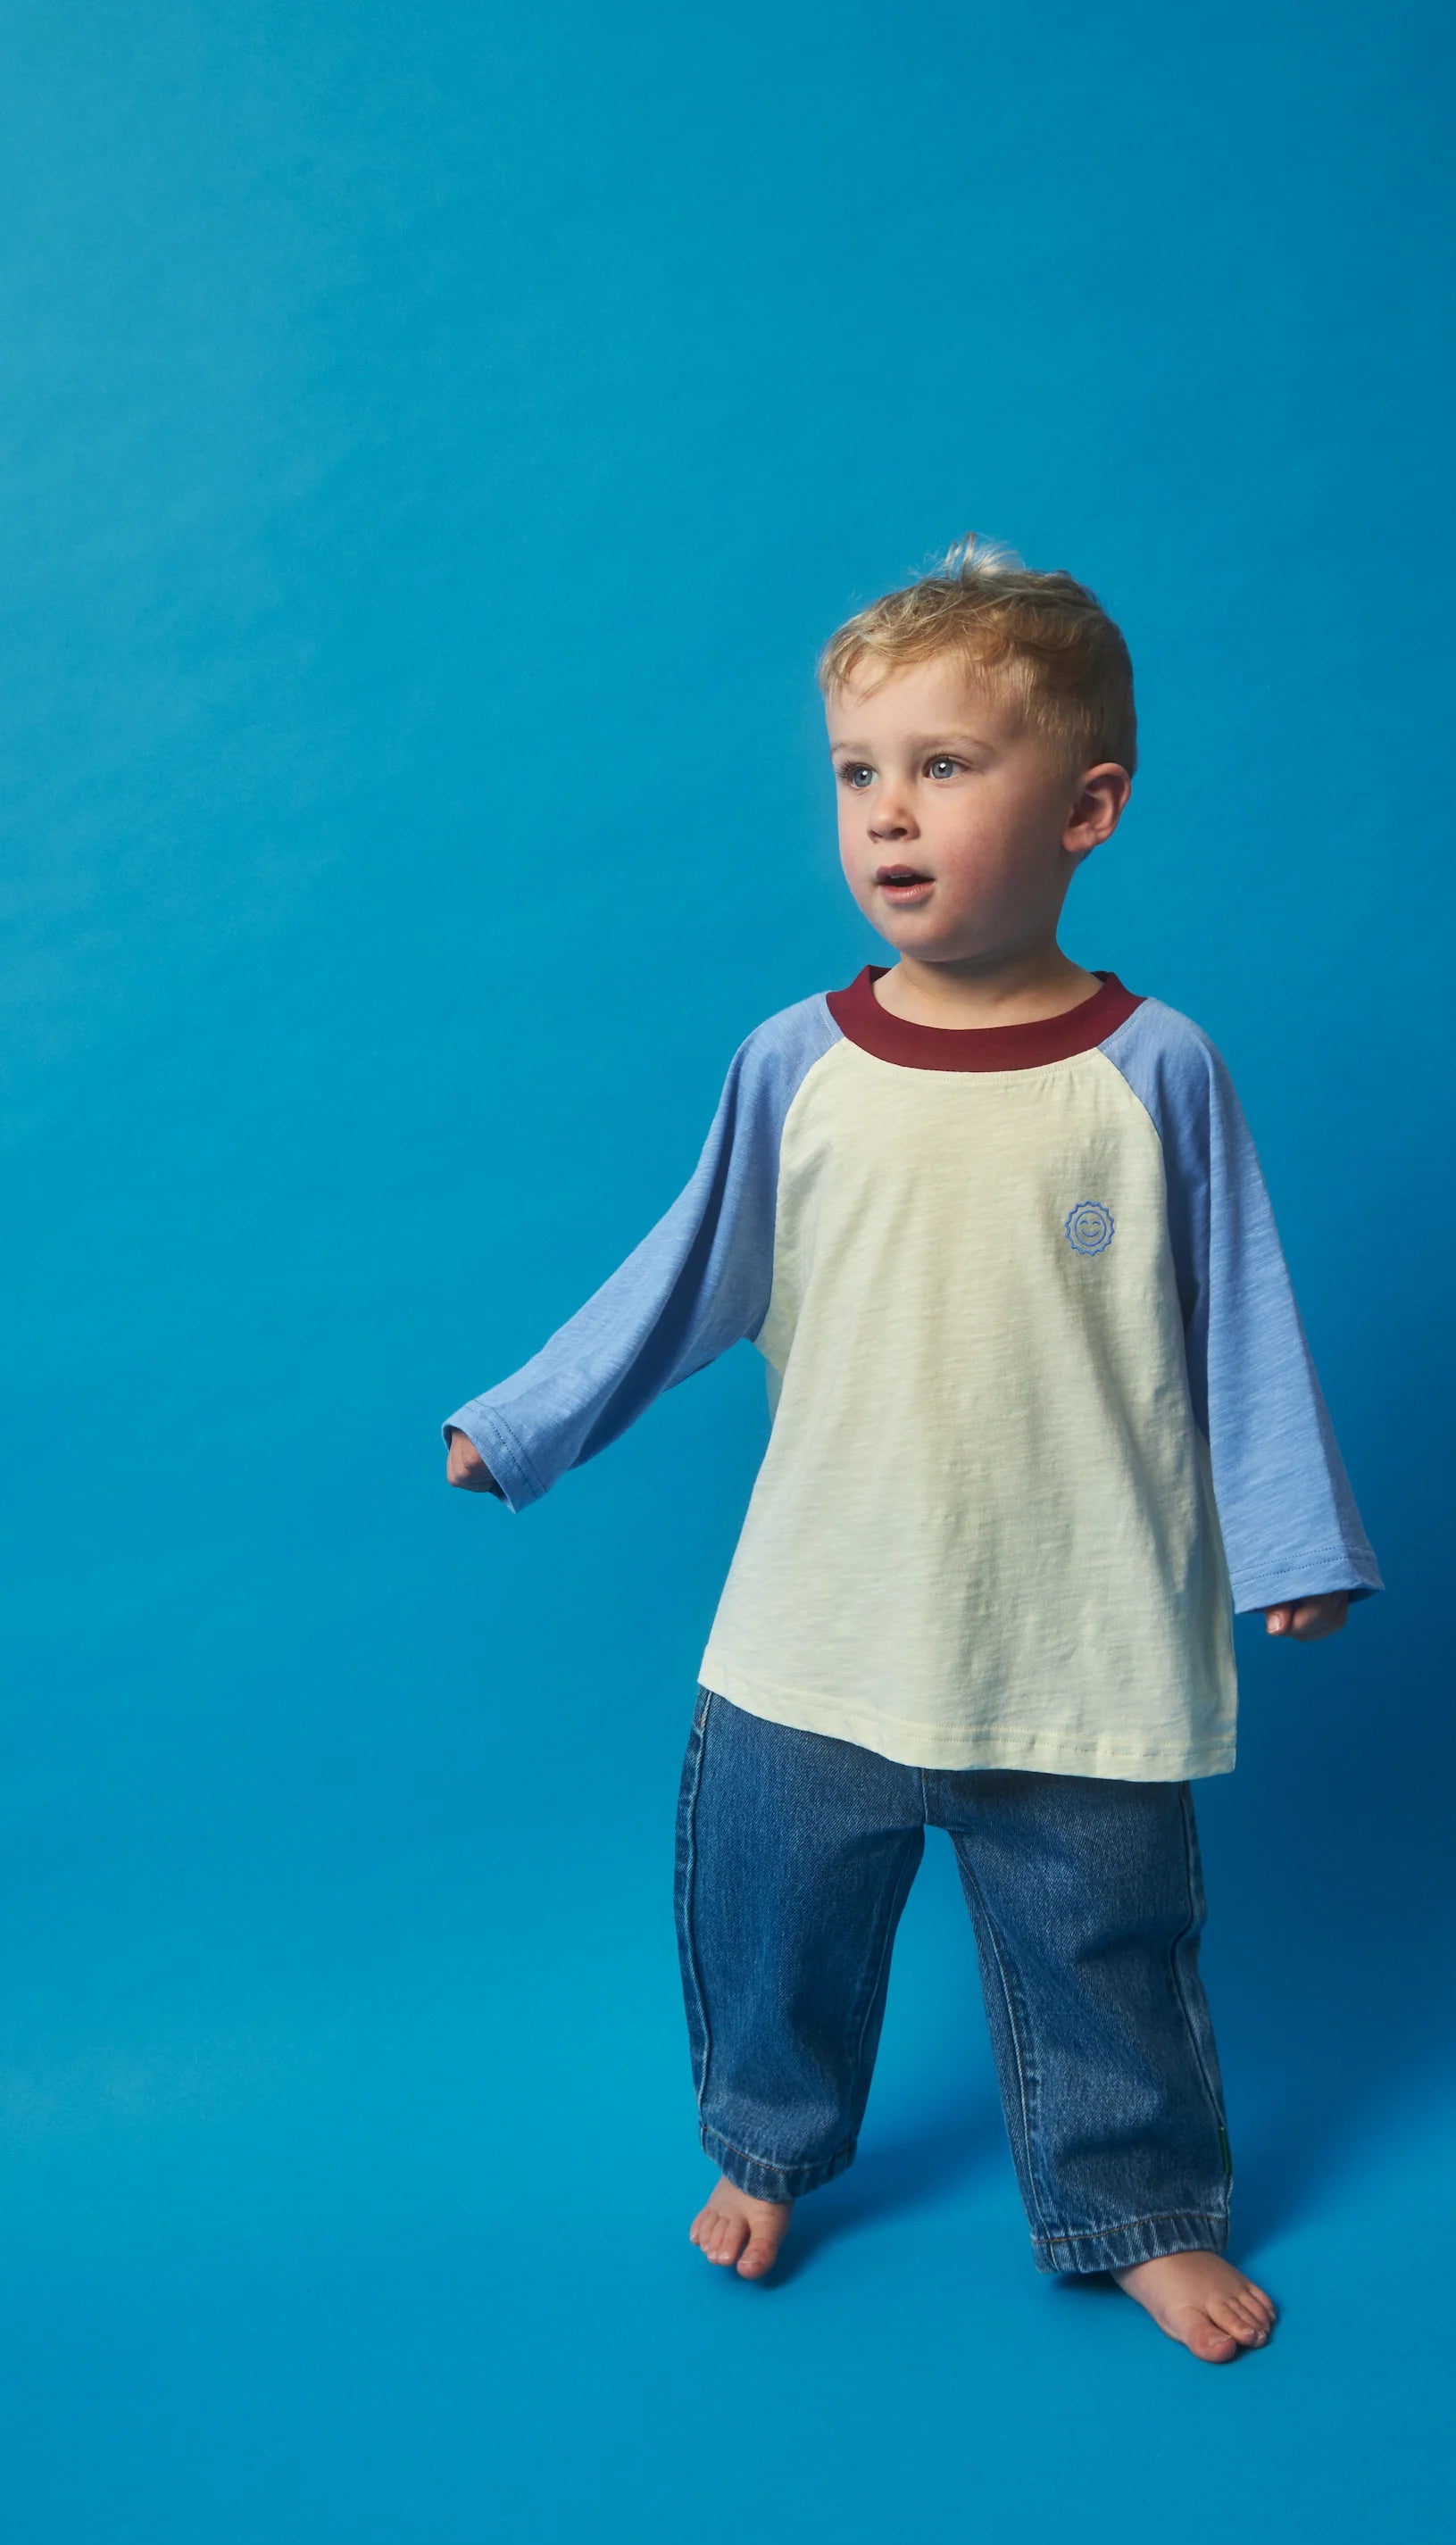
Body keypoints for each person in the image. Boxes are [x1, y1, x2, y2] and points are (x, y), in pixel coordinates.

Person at [441, 536, 1382, 2364]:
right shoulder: (798, 1062)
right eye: (859, 773)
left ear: (1084, 808)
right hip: (822, 1625)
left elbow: (1239, 1318)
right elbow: (680, 1278)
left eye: (944, 768)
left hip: (1080, 1630)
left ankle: (1133, 2206)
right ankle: (767, 2152)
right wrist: (526, 1423)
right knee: (770, 1920)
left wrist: (1290, 1543)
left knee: (1105, 1950)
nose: (887, 815)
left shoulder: (1154, 1066)